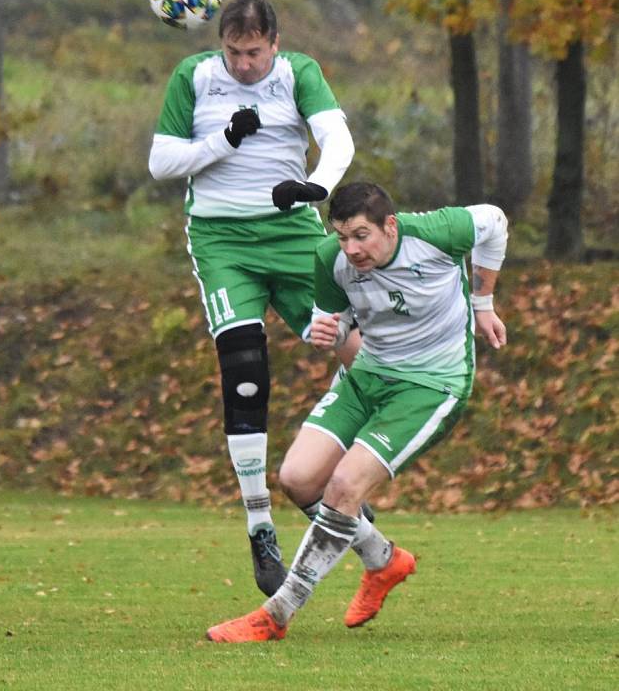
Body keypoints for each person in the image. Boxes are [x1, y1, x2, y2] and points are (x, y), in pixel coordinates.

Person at [205, 180, 508, 642]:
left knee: (345, 486)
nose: (351, 249)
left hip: (430, 386)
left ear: (390, 226)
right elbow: (335, 316)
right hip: (366, 375)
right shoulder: (329, 257)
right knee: (298, 478)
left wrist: (483, 303)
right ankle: (383, 561)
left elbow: (496, 222)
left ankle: (276, 614)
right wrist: (326, 328)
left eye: (361, 236)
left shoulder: (438, 232)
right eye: (343, 236)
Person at [148, 0, 360, 597]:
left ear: (274, 42)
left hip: (293, 236)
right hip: (221, 241)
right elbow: (163, 162)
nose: (244, 65)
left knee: (359, 355)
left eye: (254, 53)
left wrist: (314, 186)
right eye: (234, 52)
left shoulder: (299, 73)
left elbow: (337, 140)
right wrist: (223, 144)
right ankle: (260, 525)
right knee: (244, 368)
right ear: (222, 45)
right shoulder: (194, 76)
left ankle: (349, 475)